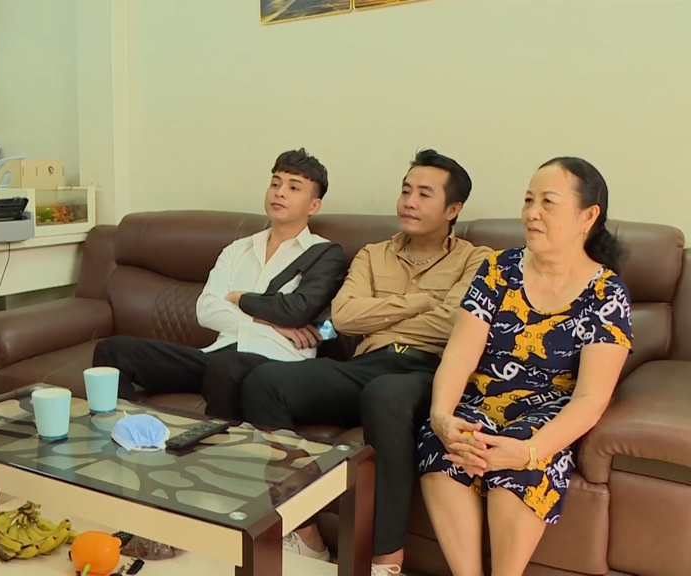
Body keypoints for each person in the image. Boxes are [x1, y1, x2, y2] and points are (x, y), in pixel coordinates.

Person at [241, 149, 490, 571]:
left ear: (453, 209)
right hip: (366, 365)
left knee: (385, 394)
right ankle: (304, 530)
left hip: (428, 370)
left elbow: (453, 323)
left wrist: (385, 310)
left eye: (424, 194)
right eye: (406, 191)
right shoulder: (373, 254)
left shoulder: (478, 260)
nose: (409, 202)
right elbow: (344, 317)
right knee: (265, 382)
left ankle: (386, 559)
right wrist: (422, 301)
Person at [417, 157, 632, 576]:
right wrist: (442, 416)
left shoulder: (607, 293)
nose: (532, 213)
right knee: (446, 444)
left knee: (521, 465)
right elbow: (459, 355)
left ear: (588, 216)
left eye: (548, 202)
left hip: (547, 412)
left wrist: (530, 451)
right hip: (482, 400)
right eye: (528, 200)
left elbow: (591, 398)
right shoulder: (499, 269)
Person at [92, 148, 347, 420]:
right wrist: (267, 321)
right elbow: (206, 310)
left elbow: (298, 310)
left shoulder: (324, 253)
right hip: (215, 356)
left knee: (227, 366)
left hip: (277, 362)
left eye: (293, 187)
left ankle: (218, 443)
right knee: (113, 351)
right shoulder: (238, 249)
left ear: (313, 206)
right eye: (275, 183)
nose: (280, 192)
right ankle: (125, 433)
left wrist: (240, 299)